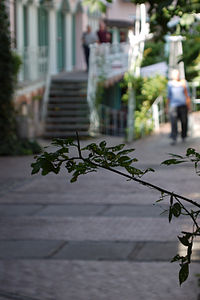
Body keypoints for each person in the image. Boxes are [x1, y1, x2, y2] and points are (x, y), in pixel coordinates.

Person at [167, 69, 191, 145]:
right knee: (173, 123)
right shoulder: (170, 84)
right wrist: (166, 107)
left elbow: (187, 95)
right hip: (173, 106)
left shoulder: (183, 82)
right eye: (174, 74)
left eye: (177, 74)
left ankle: (184, 136)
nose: (176, 76)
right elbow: (168, 96)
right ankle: (174, 138)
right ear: (172, 75)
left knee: (184, 122)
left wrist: (189, 106)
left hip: (183, 106)